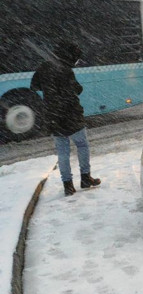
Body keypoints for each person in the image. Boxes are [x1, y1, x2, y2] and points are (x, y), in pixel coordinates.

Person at [30, 41, 101, 196]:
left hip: (53, 117)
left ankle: (67, 185)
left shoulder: (43, 67)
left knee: (63, 152)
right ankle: (85, 178)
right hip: (71, 115)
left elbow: (34, 86)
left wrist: (49, 89)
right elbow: (76, 89)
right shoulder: (66, 70)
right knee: (82, 145)